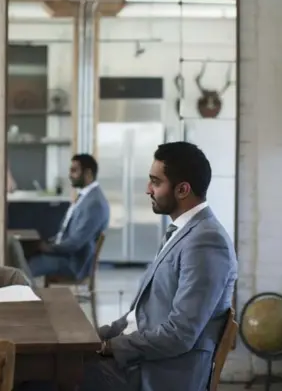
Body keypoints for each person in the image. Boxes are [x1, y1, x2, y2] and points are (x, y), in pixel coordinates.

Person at [81, 141, 237, 391]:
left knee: (54, 376)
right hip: (147, 360)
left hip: (163, 374)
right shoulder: (184, 231)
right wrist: (97, 336)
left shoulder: (207, 242)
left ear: (183, 189)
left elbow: (180, 335)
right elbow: (139, 316)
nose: (148, 189)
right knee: (59, 362)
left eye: (155, 182)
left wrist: (109, 347)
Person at [26, 153, 109, 280]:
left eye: (74, 171)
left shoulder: (94, 203)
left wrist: (48, 248)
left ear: (88, 174)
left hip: (74, 263)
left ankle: (24, 297)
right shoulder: (86, 197)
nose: (70, 175)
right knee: (22, 255)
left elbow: (75, 243)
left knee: (28, 265)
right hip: (67, 256)